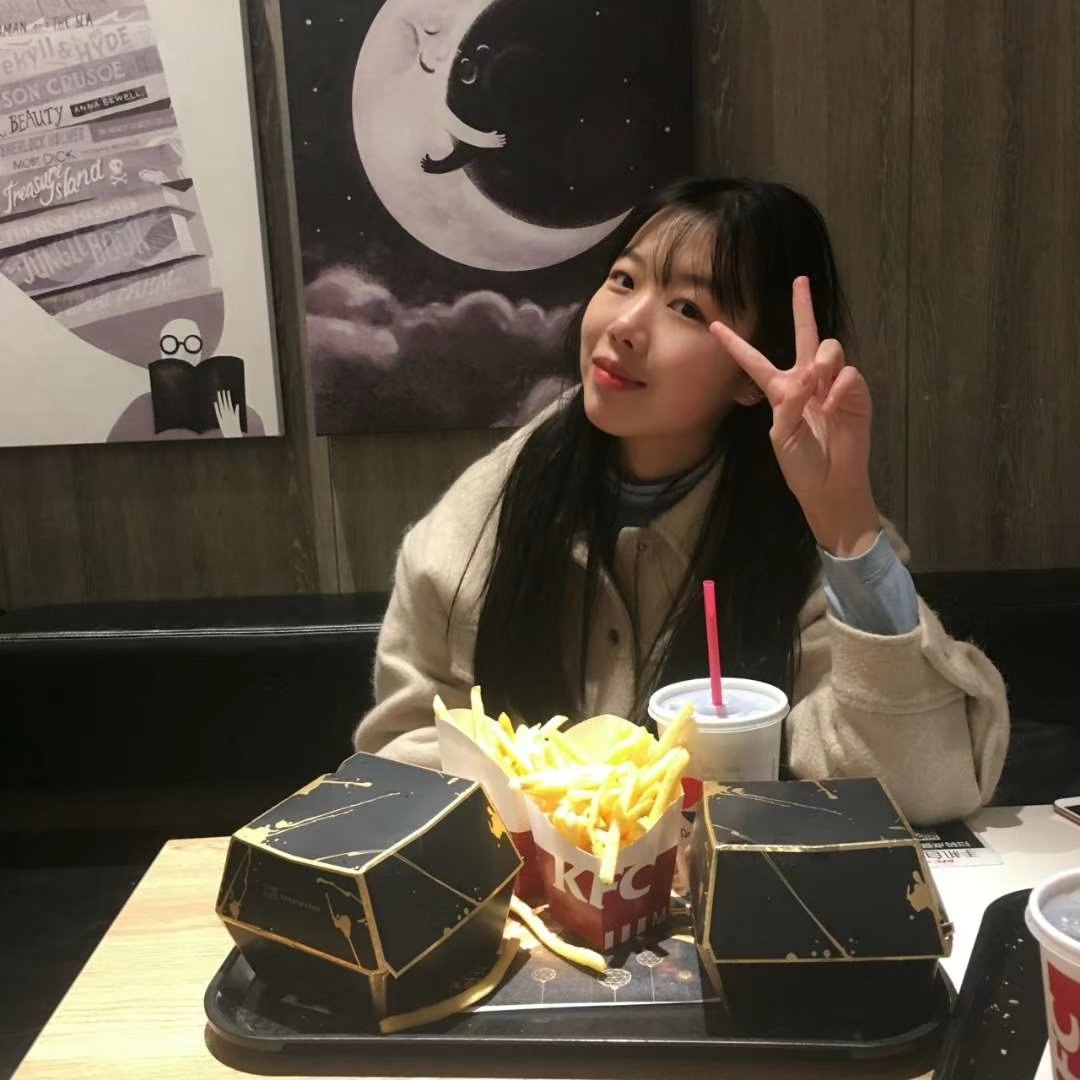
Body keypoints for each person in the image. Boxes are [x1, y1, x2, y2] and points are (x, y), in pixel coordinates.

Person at [354, 177, 1009, 825]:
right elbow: (404, 753)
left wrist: (845, 519)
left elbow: (917, 787)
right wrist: (562, 812)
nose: (625, 326)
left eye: (688, 309)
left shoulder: (799, 543)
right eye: (624, 280)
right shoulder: (489, 513)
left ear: (754, 375)